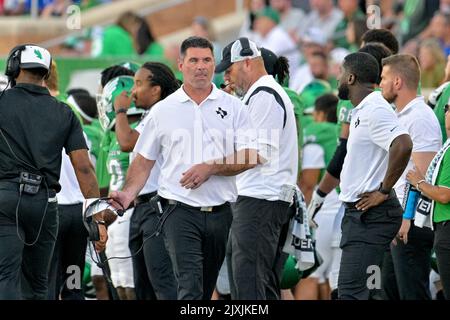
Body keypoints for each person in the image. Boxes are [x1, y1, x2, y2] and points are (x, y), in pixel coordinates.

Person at [110, 36, 258, 300]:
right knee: (188, 287)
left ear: (214, 65)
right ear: (181, 65)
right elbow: (143, 160)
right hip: (178, 210)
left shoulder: (234, 106)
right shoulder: (162, 111)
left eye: (206, 60)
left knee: (203, 289)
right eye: (193, 60)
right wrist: (127, 194)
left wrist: (210, 167)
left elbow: (250, 155)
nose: (201, 66)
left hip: (221, 213)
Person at [0, 44, 106, 299]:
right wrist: (97, 219)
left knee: (6, 277)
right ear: (46, 73)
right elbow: (84, 168)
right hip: (45, 204)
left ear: (13, 67)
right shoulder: (64, 112)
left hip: (6, 198)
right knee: (39, 284)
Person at [215, 37, 298, 300]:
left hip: (261, 198)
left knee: (249, 284)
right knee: (255, 285)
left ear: (247, 62)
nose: (226, 77)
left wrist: (210, 169)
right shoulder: (257, 96)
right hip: (258, 198)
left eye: (229, 69)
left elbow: (256, 154)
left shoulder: (264, 95)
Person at [335, 52, 413, 299]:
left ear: (350, 77)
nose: (337, 78)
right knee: (371, 291)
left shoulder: (374, 109)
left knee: (351, 292)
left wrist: (383, 190)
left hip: (369, 217)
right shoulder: (364, 109)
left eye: (340, 73)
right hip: (367, 216)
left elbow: (403, 144)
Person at [112, 62, 180, 300]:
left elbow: (126, 141)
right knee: (143, 286)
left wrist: (120, 110)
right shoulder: (151, 115)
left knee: (162, 284)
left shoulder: (161, 113)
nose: (133, 91)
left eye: (139, 84)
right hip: (142, 207)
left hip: (157, 208)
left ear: (156, 90)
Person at [379, 54, 442, 300]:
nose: (380, 83)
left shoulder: (420, 118)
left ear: (397, 82)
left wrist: (407, 217)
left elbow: (424, 176)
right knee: (390, 291)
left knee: (412, 293)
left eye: (384, 78)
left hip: (412, 223)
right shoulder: (400, 115)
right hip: (397, 218)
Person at [296, 93, 339, 300]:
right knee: (331, 277)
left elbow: (308, 183)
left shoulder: (315, 135)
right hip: (343, 212)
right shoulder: (344, 131)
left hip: (323, 213)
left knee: (310, 275)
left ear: (320, 114)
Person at [406, 103, 450, 299]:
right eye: (446, 107)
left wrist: (419, 182)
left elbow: (444, 195)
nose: (446, 112)